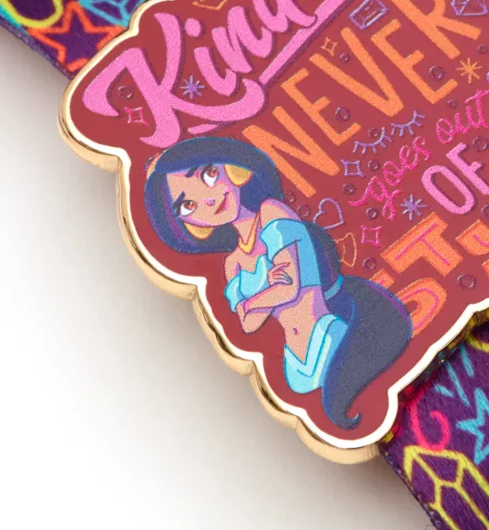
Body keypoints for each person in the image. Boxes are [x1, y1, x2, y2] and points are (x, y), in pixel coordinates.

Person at [144, 137, 412, 430]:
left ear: (231, 166)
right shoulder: (232, 262)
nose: (208, 200)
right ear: (185, 225)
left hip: (329, 337)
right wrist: (263, 296)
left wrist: (252, 302)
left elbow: (289, 288)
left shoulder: (272, 212)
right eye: (188, 205)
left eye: (208, 174)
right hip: (294, 367)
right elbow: (248, 325)